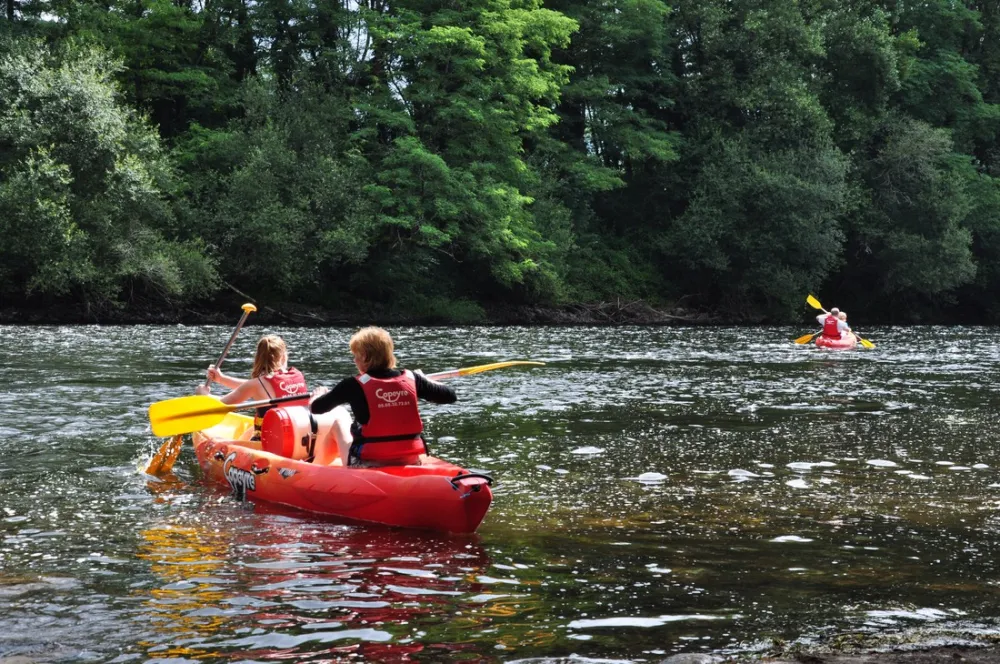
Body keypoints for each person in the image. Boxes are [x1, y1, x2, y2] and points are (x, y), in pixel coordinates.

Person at [310, 326, 457, 467]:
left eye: (355, 356)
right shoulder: (412, 379)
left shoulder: (352, 385)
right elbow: (450, 396)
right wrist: (425, 380)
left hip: (369, 461)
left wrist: (317, 396)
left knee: (339, 423)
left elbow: (316, 408)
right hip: (409, 459)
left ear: (364, 357)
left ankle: (313, 470)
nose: (354, 360)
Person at [195, 334, 312, 441]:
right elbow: (253, 386)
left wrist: (204, 395)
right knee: (250, 430)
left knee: (251, 432)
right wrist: (222, 379)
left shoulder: (257, 385)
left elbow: (222, 405)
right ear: (283, 357)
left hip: (272, 442)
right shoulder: (297, 375)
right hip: (300, 438)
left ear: (258, 358)